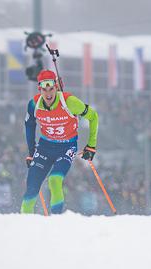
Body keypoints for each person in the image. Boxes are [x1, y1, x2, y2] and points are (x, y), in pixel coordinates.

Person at [21, 69, 99, 214]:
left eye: (51, 88)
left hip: (66, 146)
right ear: (40, 89)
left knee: (54, 180)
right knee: (32, 185)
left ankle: (56, 221)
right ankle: (24, 224)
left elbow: (93, 116)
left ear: (56, 87)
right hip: (45, 146)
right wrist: (31, 153)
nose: (48, 93)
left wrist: (91, 146)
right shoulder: (34, 104)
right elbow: (29, 126)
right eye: (44, 89)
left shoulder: (69, 102)